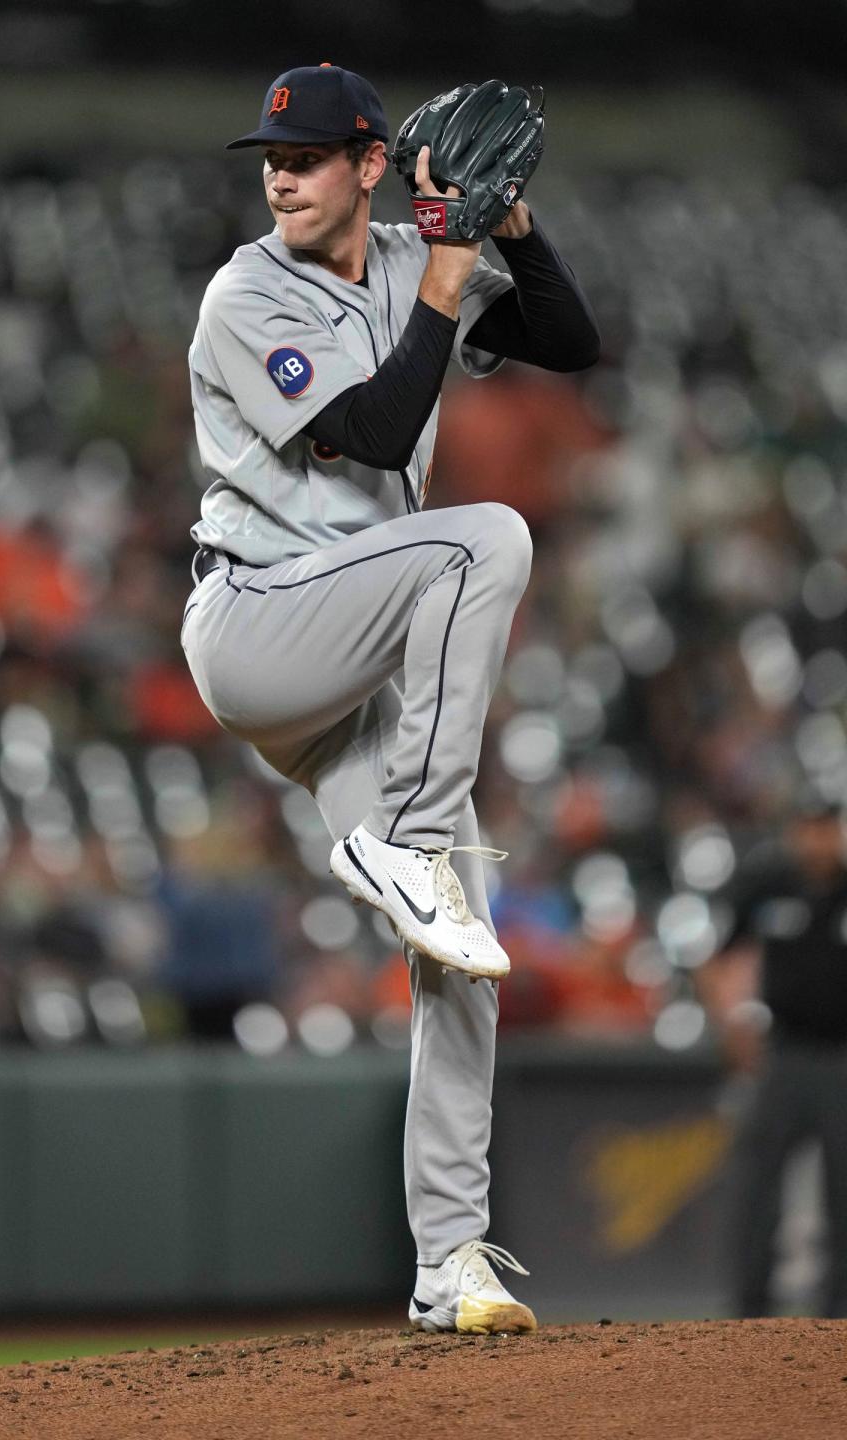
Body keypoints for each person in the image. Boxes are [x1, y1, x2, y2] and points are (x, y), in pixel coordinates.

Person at [181, 63, 599, 1332]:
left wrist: (507, 230)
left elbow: (572, 346)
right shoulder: (248, 291)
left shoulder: (413, 257)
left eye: (307, 155)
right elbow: (369, 432)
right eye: (271, 156)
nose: (279, 173)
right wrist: (443, 268)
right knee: (488, 540)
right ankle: (409, 845)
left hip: (355, 654)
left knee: (457, 955)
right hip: (258, 624)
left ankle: (448, 1263)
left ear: (372, 164)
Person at [701, 797, 847, 1317]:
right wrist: (732, 1022)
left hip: (841, 1058)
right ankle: (749, 1309)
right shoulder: (769, 881)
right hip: (782, 1055)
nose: (817, 841)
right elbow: (720, 957)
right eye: (808, 829)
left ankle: (838, 1314)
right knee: (755, 1182)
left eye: (826, 829)